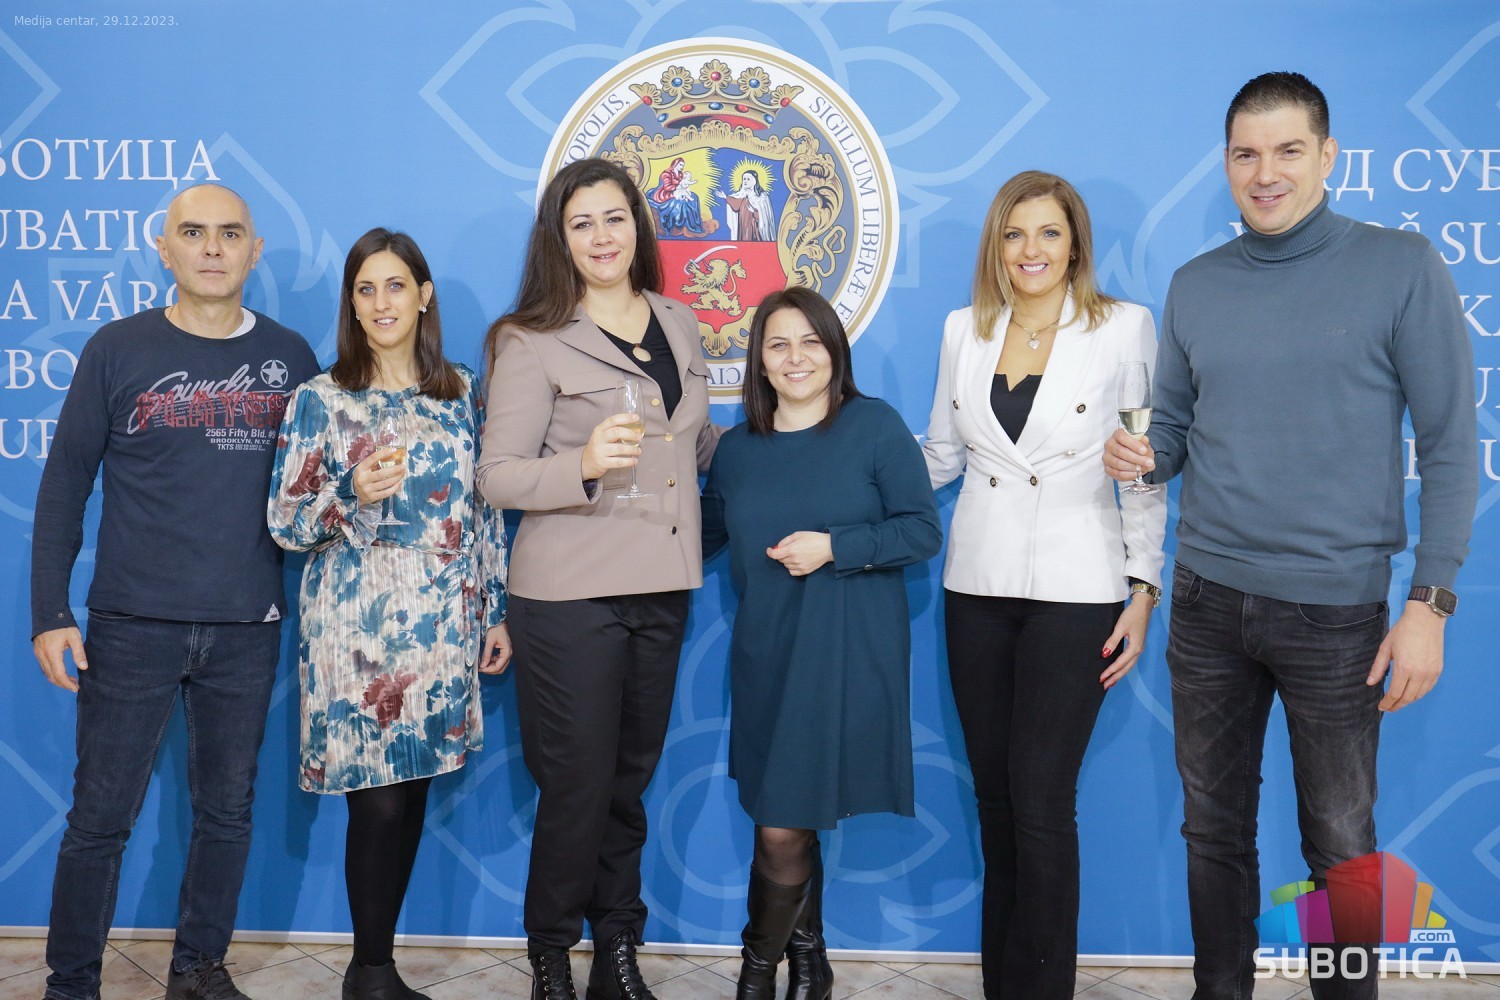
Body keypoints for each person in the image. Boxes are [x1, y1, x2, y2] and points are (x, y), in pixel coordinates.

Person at [1104, 72, 1477, 1000]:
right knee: (1212, 830)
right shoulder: (1196, 285)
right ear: (1226, 163)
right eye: (1245, 154)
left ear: (1327, 156)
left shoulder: (1401, 267)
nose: (1264, 172)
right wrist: (1141, 457)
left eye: (1287, 151)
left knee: (1341, 846)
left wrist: (1429, 603)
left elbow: (1449, 446)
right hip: (1205, 603)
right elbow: (1174, 431)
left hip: (1336, 614)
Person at [29, 184, 319, 1000]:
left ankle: (197, 971)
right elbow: (65, 485)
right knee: (99, 821)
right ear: (165, 249)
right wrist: (49, 612)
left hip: (247, 625)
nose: (212, 248)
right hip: (131, 626)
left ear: (255, 250)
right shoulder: (116, 348)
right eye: (193, 233)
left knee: (227, 815)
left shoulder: (293, 358)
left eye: (230, 233)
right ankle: (70, 985)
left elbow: (315, 486)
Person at [477, 157, 721, 1000]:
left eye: (614, 218)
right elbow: (497, 476)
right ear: (560, 239)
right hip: (567, 593)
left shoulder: (679, 321)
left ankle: (618, 952)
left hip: (661, 585)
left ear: (638, 226)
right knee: (577, 786)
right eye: (581, 223)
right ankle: (550, 956)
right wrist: (580, 463)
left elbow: (697, 446)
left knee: (627, 784)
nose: (601, 236)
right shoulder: (530, 338)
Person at [922, 171, 1167, 999]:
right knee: (996, 800)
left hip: (1080, 584)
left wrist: (1143, 588)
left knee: (1040, 798)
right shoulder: (963, 329)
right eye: (1015, 233)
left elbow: (1141, 469)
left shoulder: (1124, 327)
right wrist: (842, 481)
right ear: (996, 245)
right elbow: (941, 456)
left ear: (1075, 245)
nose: (1031, 250)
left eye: (1049, 233)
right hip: (976, 586)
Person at [267, 229, 510, 1000]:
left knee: (410, 798)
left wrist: (495, 610)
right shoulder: (320, 399)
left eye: (395, 285)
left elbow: (485, 512)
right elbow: (285, 522)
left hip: (442, 626)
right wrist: (349, 493)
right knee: (375, 806)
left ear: (423, 295)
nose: (381, 303)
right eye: (365, 289)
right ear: (351, 303)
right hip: (355, 632)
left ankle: (377, 967)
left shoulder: (463, 392)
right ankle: (369, 972)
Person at [703, 286, 942, 1000]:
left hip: (846, 654)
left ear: (835, 351)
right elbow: (698, 535)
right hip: (766, 656)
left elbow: (921, 530)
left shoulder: (874, 426)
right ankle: (810, 962)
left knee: (783, 825)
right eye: (778, 344)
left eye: (811, 341)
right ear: (759, 361)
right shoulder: (737, 450)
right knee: (793, 814)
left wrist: (835, 546)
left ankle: (756, 975)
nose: (796, 357)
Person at [649, 156, 706, 236]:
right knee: (680, 202)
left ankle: (693, 224)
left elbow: (683, 183)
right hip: (666, 193)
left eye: (683, 165)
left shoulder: (680, 174)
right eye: (680, 165)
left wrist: (684, 187)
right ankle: (678, 223)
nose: (682, 167)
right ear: (675, 164)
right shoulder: (666, 173)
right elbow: (667, 187)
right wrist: (678, 187)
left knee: (694, 197)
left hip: (679, 191)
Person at [718, 171, 776, 242]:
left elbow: (764, 216)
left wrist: (754, 211)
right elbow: (736, 205)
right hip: (743, 225)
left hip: (754, 227)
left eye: (748, 179)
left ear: (754, 181)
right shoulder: (742, 195)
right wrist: (725, 197)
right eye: (744, 179)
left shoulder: (762, 197)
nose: (745, 181)